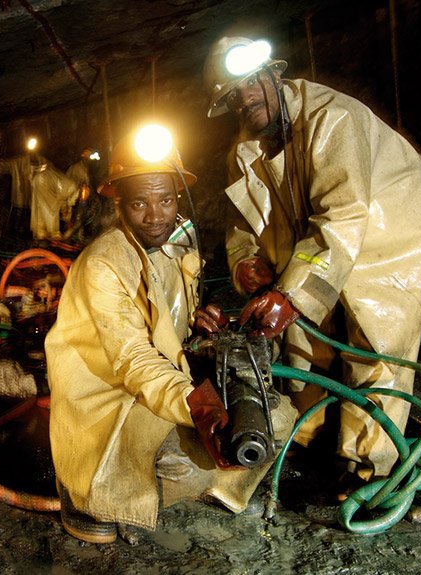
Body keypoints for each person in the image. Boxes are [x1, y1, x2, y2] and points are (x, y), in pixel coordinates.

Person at [201, 36, 421, 494]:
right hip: (319, 247)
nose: (245, 99)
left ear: (274, 75)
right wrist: (245, 261)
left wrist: (289, 294)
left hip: (388, 235)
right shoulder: (244, 150)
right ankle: (310, 447)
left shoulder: (332, 118)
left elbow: (345, 214)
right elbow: (241, 224)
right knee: (304, 344)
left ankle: (370, 473)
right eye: (233, 96)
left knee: (374, 349)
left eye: (251, 84)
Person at [44, 126, 297, 544]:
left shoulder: (178, 243)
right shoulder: (104, 264)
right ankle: (83, 489)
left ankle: (207, 486)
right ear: (119, 202)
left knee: (273, 414)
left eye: (165, 199)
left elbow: (166, 317)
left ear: (178, 197)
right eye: (140, 202)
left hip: (162, 374)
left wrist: (195, 320)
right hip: (111, 392)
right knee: (169, 449)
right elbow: (132, 360)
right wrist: (199, 407)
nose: (156, 215)